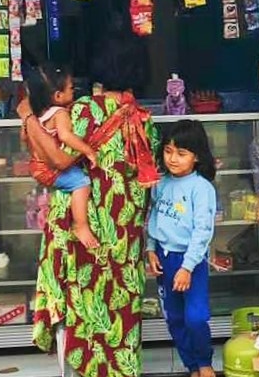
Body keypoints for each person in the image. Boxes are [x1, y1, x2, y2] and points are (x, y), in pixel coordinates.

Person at [21, 36, 159, 377]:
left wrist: (26, 118)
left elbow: (51, 153)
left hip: (76, 227)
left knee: (77, 301)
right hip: (124, 232)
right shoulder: (143, 119)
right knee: (121, 304)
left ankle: (80, 370)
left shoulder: (81, 110)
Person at [146, 120, 218, 377]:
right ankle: (192, 366)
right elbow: (153, 215)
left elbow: (203, 231)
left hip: (192, 261)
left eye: (181, 153)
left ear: (197, 156)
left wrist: (187, 267)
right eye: (168, 151)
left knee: (196, 317)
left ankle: (204, 362)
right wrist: (151, 248)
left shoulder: (202, 189)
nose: (172, 159)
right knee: (175, 319)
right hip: (165, 259)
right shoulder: (160, 183)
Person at [23, 64, 99, 249]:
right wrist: (88, 150)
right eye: (71, 88)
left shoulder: (40, 115)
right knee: (81, 182)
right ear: (58, 96)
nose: (75, 91)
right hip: (50, 169)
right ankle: (80, 225)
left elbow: (25, 137)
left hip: (37, 166)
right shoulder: (60, 113)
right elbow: (65, 136)